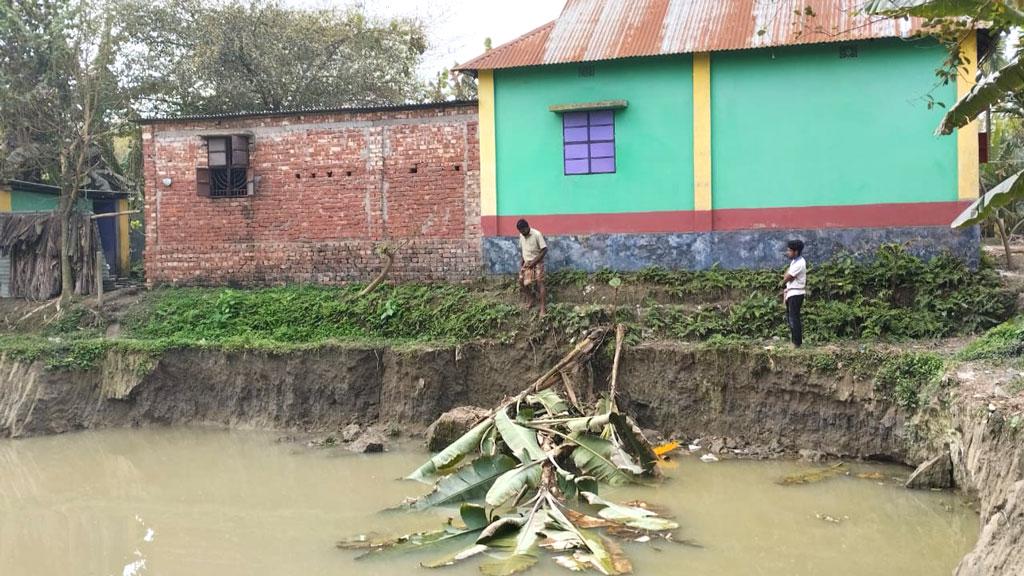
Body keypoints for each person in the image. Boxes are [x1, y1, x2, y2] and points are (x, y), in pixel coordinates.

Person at [516, 218, 547, 316]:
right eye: (520, 231)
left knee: (539, 282)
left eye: (523, 231)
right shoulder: (521, 235)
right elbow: (523, 250)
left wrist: (534, 262)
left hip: (537, 262)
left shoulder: (537, 234)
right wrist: (522, 262)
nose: (522, 233)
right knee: (521, 281)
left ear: (527, 227)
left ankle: (542, 308)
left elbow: (544, 250)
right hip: (526, 263)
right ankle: (531, 299)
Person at [780, 239, 806, 347]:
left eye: (790, 251)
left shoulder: (799, 263)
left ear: (796, 252)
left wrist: (783, 282)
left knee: (793, 318)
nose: (788, 253)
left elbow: (787, 277)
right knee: (791, 318)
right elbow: (787, 273)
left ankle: (796, 343)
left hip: (796, 294)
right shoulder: (794, 261)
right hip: (792, 293)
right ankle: (795, 342)